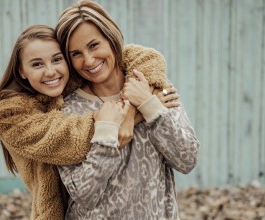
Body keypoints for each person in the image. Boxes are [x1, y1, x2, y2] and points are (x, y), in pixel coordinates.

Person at [0, 24, 179, 219]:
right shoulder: (8, 114)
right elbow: (66, 138)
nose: (51, 71)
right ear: (21, 70)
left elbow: (144, 57)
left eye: (57, 59)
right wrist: (138, 111)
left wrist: (141, 101)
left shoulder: (70, 84)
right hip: (54, 211)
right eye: (37, 64)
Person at [55, 0, 200, 219]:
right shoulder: (69, 110)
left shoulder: (155, 86)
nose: (89, 60)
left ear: (111, 38)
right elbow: (83, 195)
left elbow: (187, 159)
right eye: (76, 53)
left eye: (94, 45)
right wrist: (107, 136)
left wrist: (149, 106)